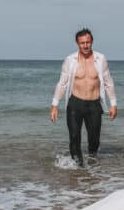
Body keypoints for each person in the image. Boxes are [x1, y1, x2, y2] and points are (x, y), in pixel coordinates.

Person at [50, 28, 117, 166]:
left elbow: (108, 82)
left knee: (94, 140)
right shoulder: (70, 60)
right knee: (74, 137)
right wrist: (54, 105)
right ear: (77, 44)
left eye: (88, 42)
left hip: (94, 104)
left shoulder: (100, 59)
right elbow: (62, 84)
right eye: (82, 43)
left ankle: (92, 164)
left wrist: (113, 104)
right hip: (75, 103)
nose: (85, 46)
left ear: (92, 42)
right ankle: (78, 169)